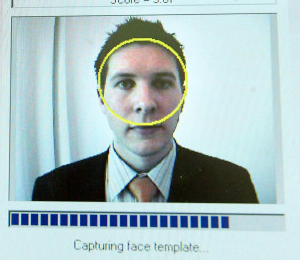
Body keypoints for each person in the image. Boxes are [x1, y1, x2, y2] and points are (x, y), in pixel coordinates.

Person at [32, 18, 258, 203]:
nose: (145, 103)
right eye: (125, 83)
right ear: (102, 99)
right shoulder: (53, 190)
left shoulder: (233, 184)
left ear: (183, 97)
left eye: (162, 83)